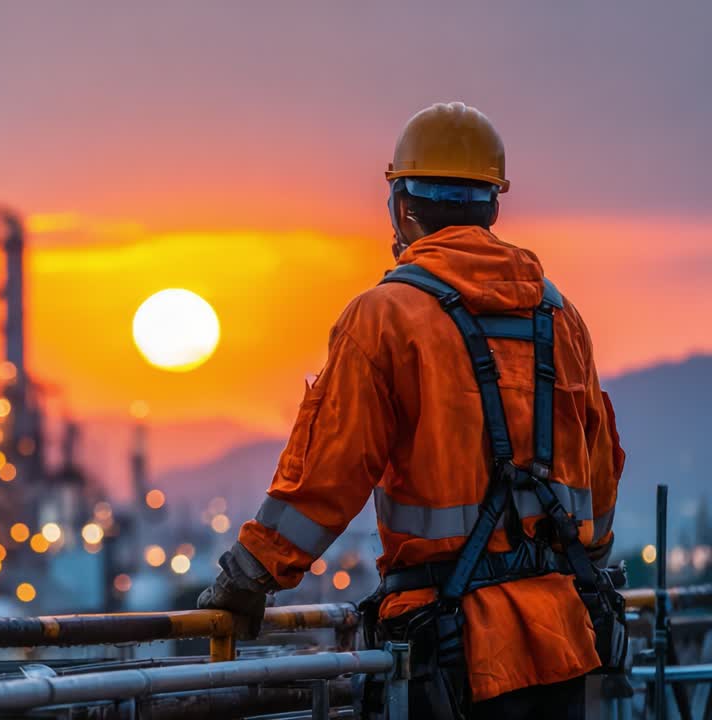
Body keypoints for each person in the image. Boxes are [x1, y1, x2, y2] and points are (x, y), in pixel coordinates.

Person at [198, 102, 625, 719]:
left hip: (449, 651)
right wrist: (580, 563)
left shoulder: (385, 317)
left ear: (402, 205)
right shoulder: (560, 319)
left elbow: (324, 475)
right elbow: (599, 471)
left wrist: (248, 576)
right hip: (561, 640)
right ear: (494, 206)